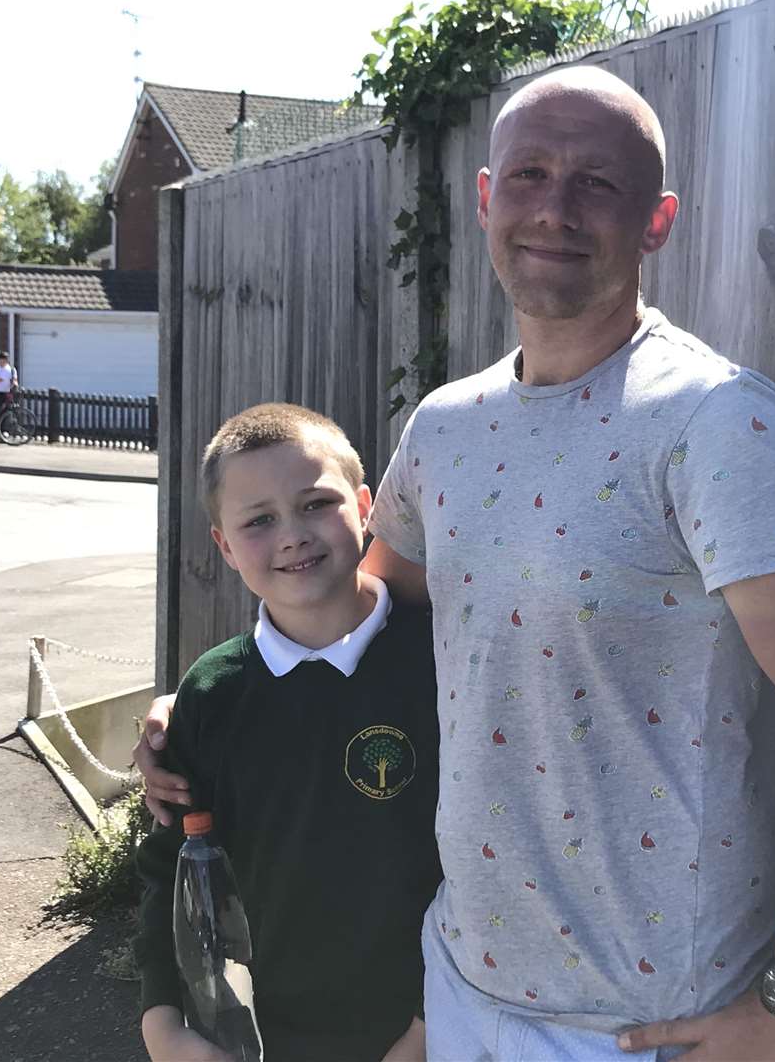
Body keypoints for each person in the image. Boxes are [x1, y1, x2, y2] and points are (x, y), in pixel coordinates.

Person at [137, 67, 775, 1061]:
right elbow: (364, 618)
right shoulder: (445, 430)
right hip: (462, 990)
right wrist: (201, 699)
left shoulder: (715, 423)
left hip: (645, 1024)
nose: (556, 208)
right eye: (532, 174)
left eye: (598, 184)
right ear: (488, 197)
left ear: (656, 221)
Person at [133, 403, 440, 1062]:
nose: (292, 535)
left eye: (315, 504)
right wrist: (162, 1023)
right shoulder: (212, 695)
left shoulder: (444, 666)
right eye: (259, 520)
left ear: (365, 507)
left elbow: (484, 867)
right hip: (261, 1040)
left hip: (434, 1033)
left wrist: (424, 1031)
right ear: (222, 543)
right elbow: (173, 876)